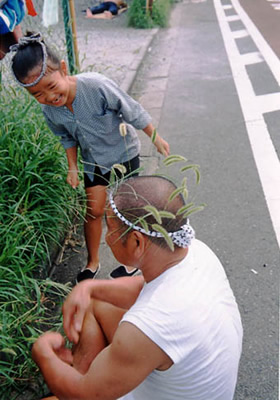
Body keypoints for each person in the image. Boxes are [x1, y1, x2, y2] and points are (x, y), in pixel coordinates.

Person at [32, 175, 243, 400]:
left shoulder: (147, 327)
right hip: (198, 382)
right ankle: (81, 375)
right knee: (95, 303)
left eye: (110, 227)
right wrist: (90, 288)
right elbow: (143, 286)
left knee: (77, 391)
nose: (107, 237)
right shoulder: (197, 252)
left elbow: (85, 395)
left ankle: (79, 382)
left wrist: (43, 352)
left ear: (137, 242)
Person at [10, 32, 170, 282]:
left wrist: (155, 137)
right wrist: (72, 167)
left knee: (121, 211)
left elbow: (130, 109)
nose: (49, 98)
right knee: (93, 211)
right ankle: (92, 262)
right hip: (93, 161)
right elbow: (67, 138)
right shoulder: (49, 110)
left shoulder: (96, 86)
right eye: (38, 95)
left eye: (51, 87)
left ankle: (130, 263)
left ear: (63, 69)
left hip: (123, 156)